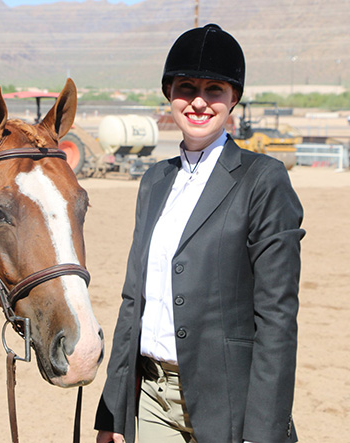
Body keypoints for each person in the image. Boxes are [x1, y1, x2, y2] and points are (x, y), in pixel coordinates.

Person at [95, 24, 304, 443]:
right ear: (169, 93)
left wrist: (261, 433)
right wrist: (114, 414)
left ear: (234, 99)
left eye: (214, 90)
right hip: (153, 401)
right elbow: (134, 300)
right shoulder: (154, 181)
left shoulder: (263, 180)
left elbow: (277, 318)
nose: (198, 101)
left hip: (230, 405)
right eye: (186, 87)